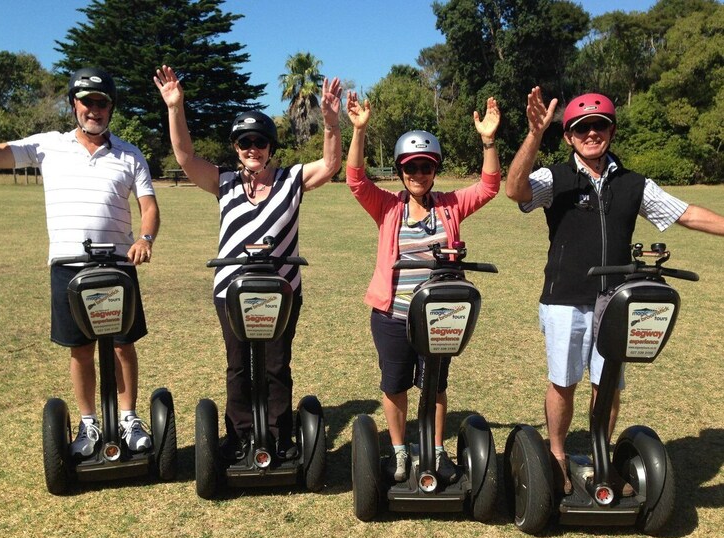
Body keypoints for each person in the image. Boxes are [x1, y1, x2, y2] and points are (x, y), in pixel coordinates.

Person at [505, 86, 724, 495]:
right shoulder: (555, 177)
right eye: (582, 128)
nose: (592, 133)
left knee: (607, 384)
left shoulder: (632, 183)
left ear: (611, 131)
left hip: (617, 301)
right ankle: (557, 457)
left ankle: (599, 456)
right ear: (568, 135)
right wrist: (534, 134)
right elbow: (515, 190)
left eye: (599, 126)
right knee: (563, 382)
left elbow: (685, 213)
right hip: (565, 298)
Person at [0, 62, 161, 457]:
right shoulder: (48, 145)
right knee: (80, 349)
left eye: (102, 103)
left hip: (117, 263)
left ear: (111, 108)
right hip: (68, 264)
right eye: (86, 102)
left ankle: (129, 418)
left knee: (121, 344)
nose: (94, 110)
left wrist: (145, 238)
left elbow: (148, 206)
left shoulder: (130, 155)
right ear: (73, 105)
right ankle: (89, 424)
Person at [154, 65, 342, 460]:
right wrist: (176, 107)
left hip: (282, 289)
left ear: (270, 146)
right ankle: (239, 435)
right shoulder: (223, 181)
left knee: (276, 365)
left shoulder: (292, 180)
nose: (251, 149)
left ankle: (278, 435)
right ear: (236, 148)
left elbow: (329, 165)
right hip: (231, 291)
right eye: (244, 143)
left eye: (258, 142)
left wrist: (330, 124)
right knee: (238, 365)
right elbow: (185, 156)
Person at [345, 91, 501, 483]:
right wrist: (359, 132)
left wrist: (488, 140)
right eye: (411, 168)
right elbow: (355, 180)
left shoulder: (449, 206)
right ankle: (399, 452)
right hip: (393, 315)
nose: (418, 174)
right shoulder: (387, 207)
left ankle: (434, 447)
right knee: (395, 385)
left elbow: (489, 186)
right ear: (400, 171)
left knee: (434, 385)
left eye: (426, 168)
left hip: (439, 315)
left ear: (434, 171)